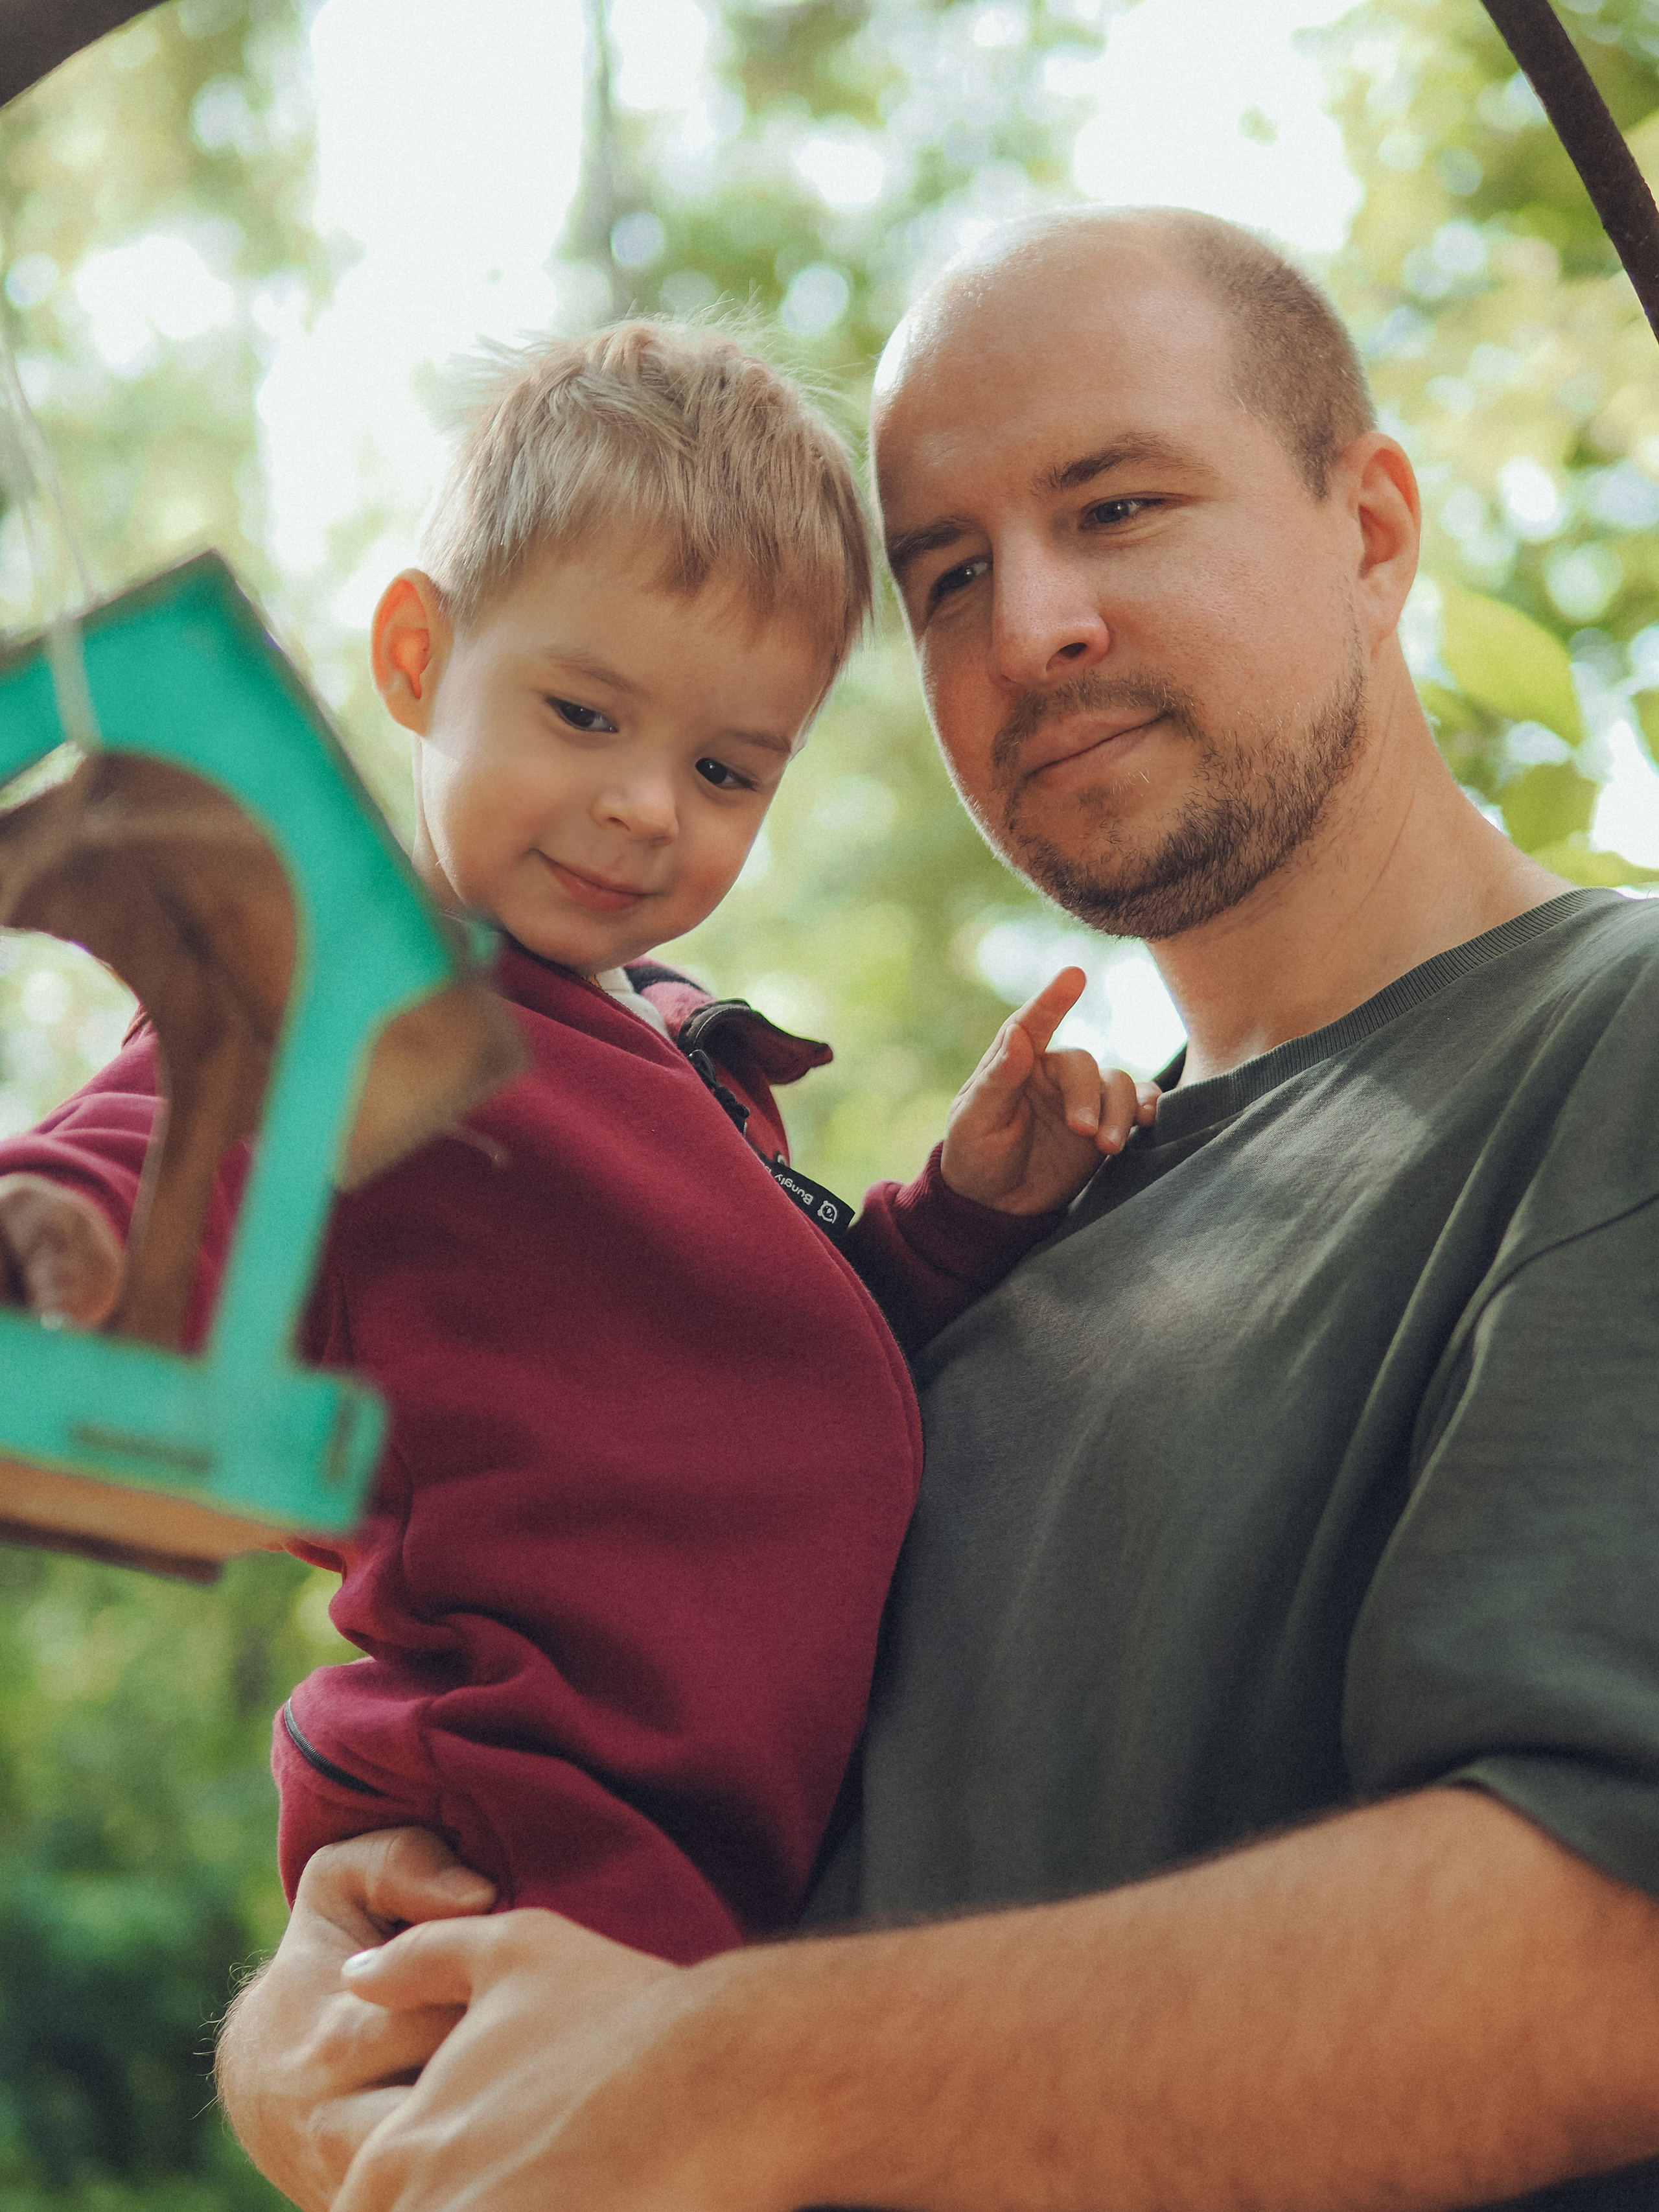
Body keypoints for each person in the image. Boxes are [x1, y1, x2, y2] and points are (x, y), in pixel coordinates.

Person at [216, 208, 1659, 2212]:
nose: (1028, 627)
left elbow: (1616, 1943)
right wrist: (323, 2021)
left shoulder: (1614, 1047)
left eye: (1121, 505)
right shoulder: (1021, 1220)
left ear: (1374, 525)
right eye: (949, 574)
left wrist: (725, 2074)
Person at [0, 324, 1154, 1968]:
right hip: (523, 1844)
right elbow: (165, 1151)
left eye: (720, 767)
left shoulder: (667, 1047)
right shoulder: (351, 996)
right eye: (581, 713)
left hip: (723, 1874)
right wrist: (54, 1231)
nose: (642, 806)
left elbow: (757, 1379)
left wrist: (958, 1220)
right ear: (416, 658)